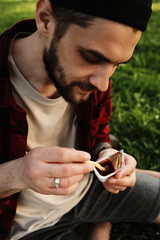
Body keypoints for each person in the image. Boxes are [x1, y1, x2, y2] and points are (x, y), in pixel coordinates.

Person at [0, 0, 160, 239]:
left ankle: (99, 223)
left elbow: (99, 132)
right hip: (27, 227)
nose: (103, 84)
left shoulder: (94, 79)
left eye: (117, 65)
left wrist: (105, 153)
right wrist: (18, 174)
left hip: (91, 190)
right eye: (91, 57)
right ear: (45, 19)